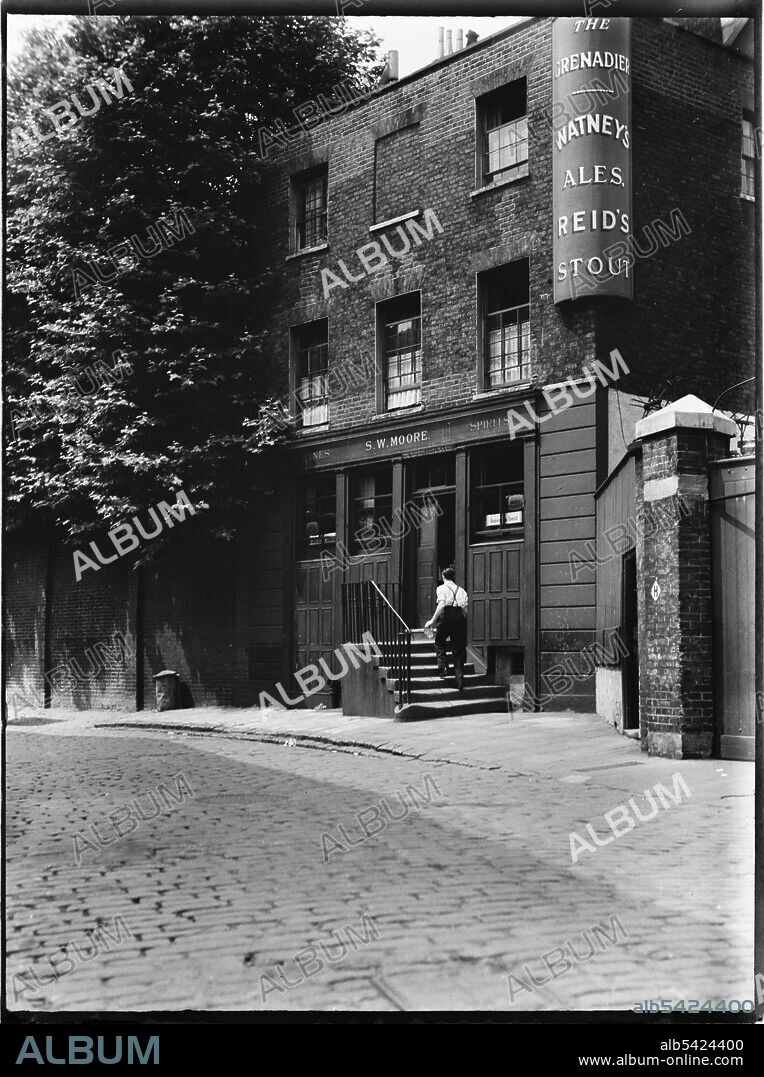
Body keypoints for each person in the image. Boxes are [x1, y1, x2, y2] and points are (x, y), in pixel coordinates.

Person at [424, 567, 468, 693]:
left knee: (439, 641)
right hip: (459, 617)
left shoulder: (441, 588)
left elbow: (442, 605)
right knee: (458, 649)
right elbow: (465, 610)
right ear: (453, 577)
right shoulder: (462, 590)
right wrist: (462, 620)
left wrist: (432, 620)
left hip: (447, 616)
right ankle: (459, 681)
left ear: (443, 577)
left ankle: (443, 667)